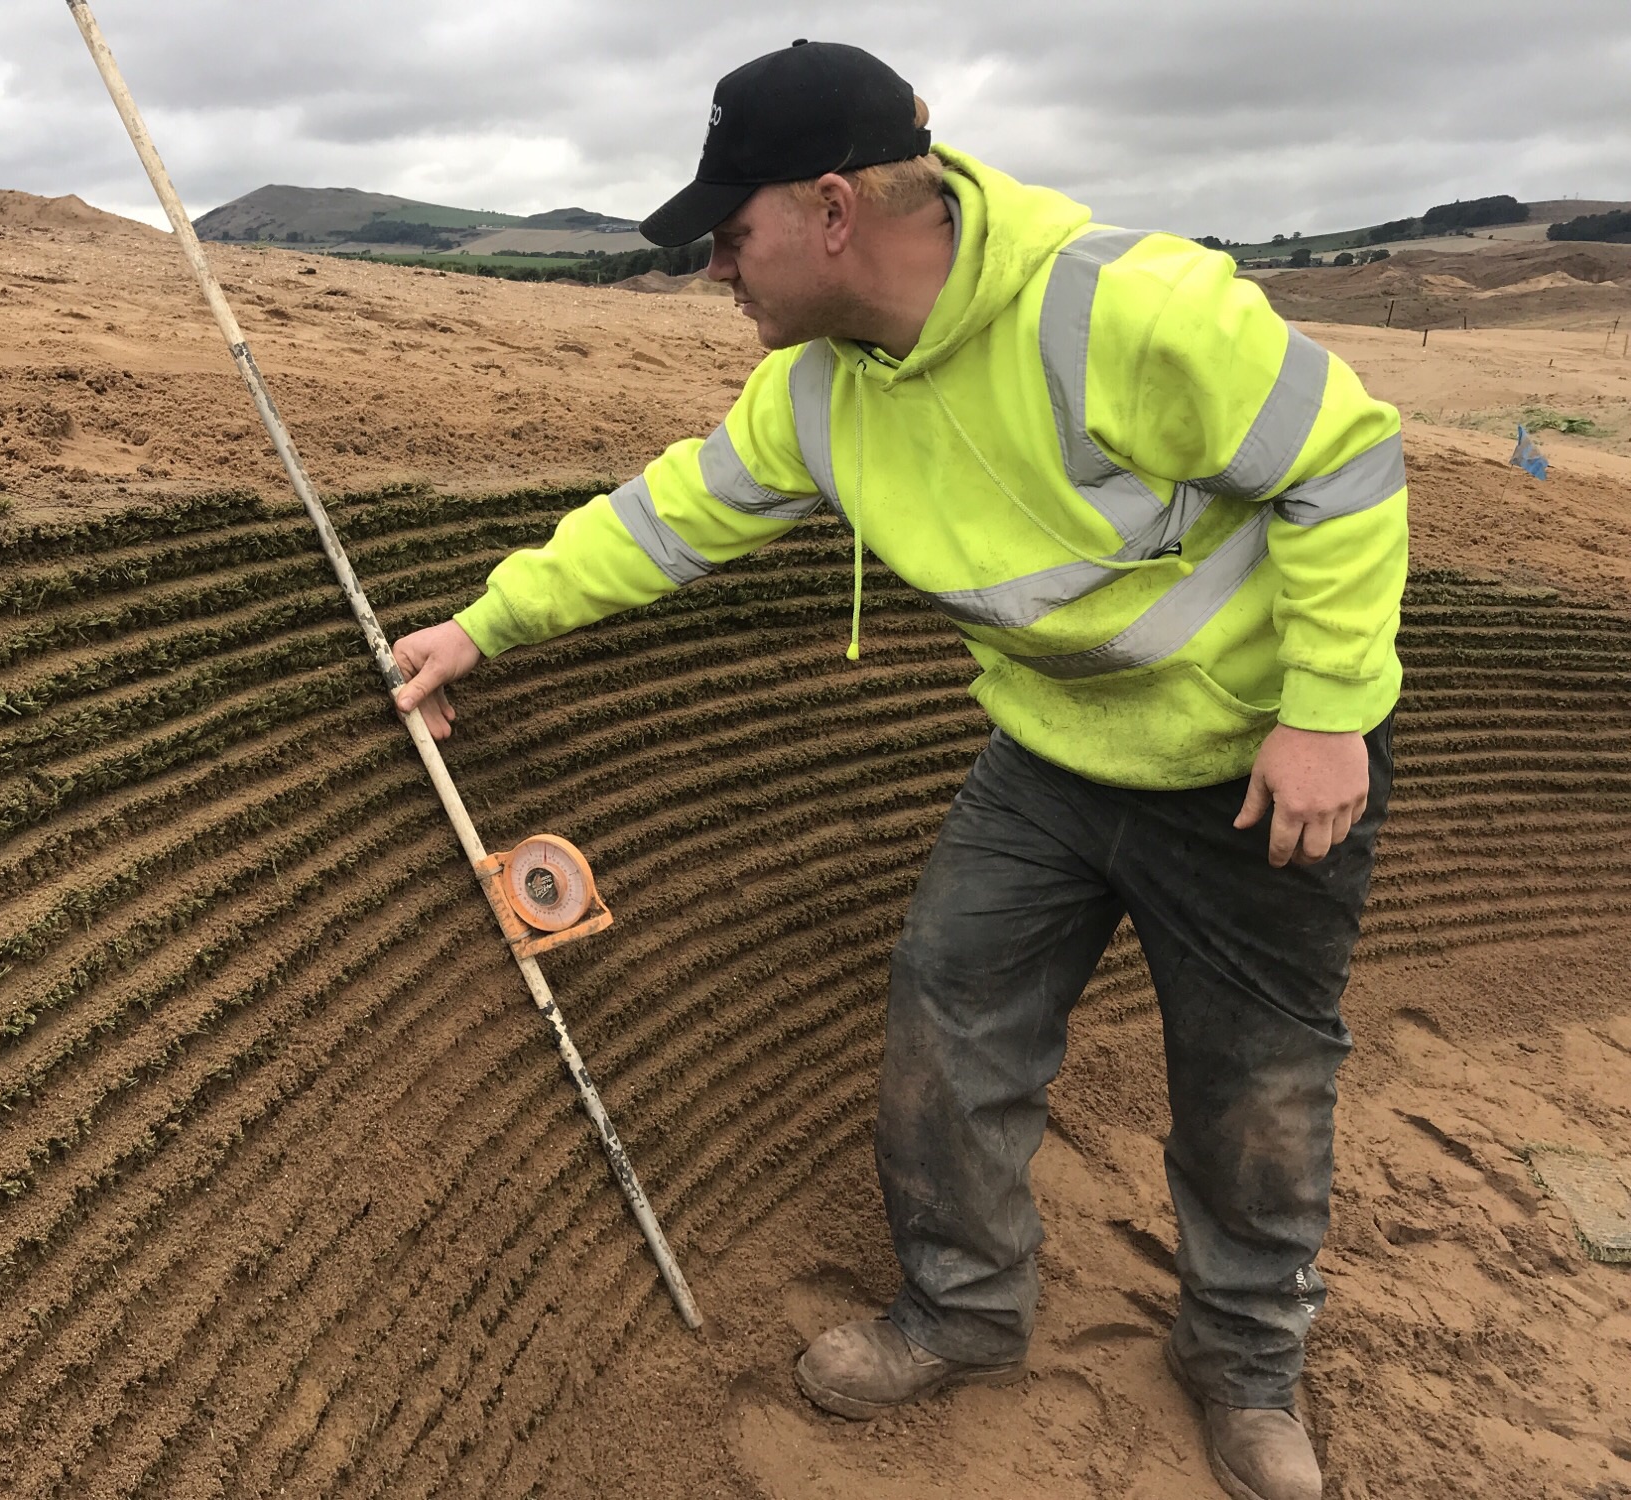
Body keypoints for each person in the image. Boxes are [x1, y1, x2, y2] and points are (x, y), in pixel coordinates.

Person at [390, 39, 1406, 1500]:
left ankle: (1246, 1367)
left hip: (1254, 771)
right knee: (955, 1015)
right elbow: (672, 517)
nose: (716, 271)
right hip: (1051, 765)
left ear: (830, 211)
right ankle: (964, 1311)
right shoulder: (820, 387)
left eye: (728, 236)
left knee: (1256, 1083)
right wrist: (484, 627)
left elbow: (1348, 461)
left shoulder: (1122, 304)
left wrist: (1324, 712)